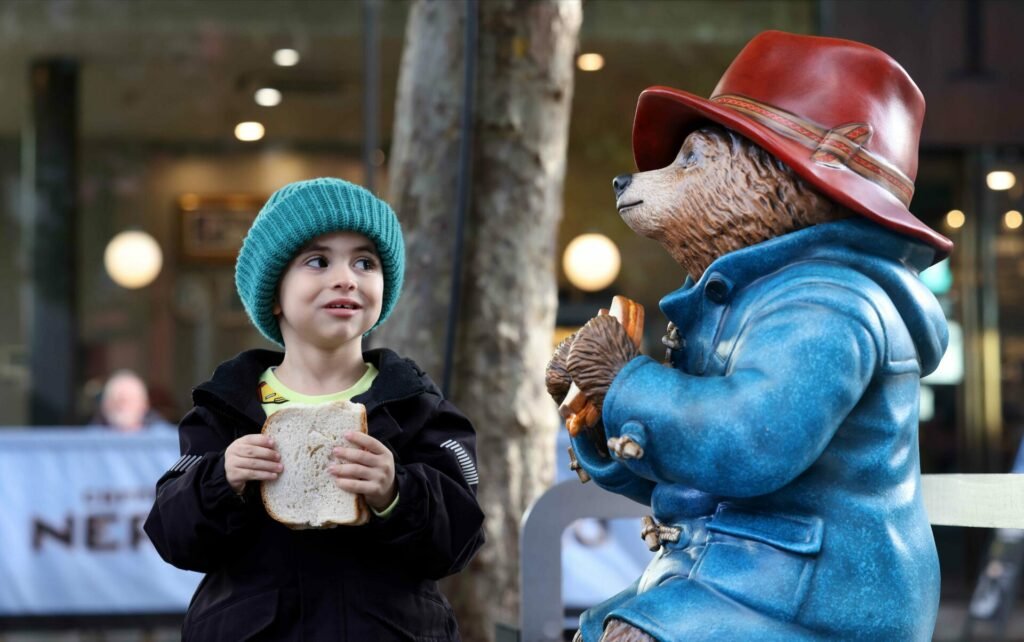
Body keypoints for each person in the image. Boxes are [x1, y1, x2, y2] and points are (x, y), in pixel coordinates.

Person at [144, 178, 485, 640]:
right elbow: (172, 534)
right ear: (274, 294)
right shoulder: (225, 409)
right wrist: (221, 480)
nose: (346, 277)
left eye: (365, 261)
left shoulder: (418, 408)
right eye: (318, 261)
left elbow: (461, 541)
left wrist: (396, 491)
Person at [91, 369, 170, 432]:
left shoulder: (165, 439)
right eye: (116, 400)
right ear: (104, 405)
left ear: (144, 404)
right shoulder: (88, 441)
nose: (121, 406)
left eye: (129, 400)